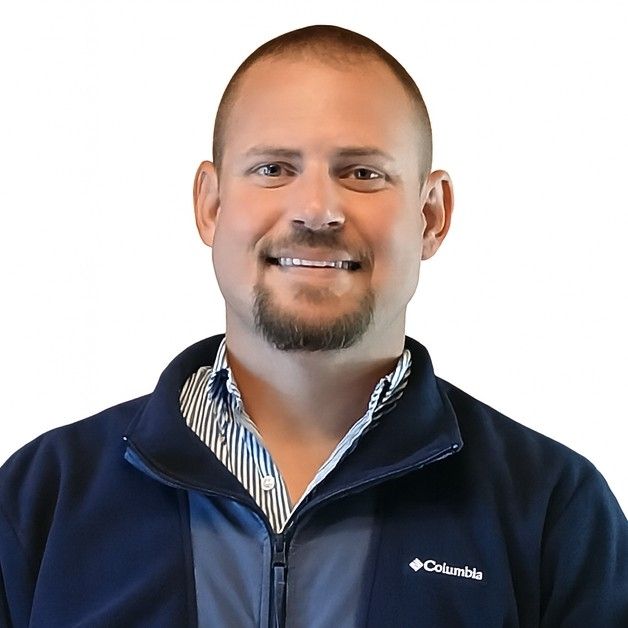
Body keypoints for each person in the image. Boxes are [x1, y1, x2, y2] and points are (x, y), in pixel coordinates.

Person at [0, 24, 626, 628]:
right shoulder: (41, 500)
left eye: (363, 173)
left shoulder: (553, 509)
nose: (317, 210)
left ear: (431, 215)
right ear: (210, 205)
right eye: (274, 168)